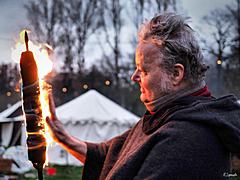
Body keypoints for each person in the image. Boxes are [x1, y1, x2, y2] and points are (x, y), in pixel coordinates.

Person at [46, 13, 240, 179]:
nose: (134, 77)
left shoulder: (186, 139)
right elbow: (111, 155)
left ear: (175, 74)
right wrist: (64, 138)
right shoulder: (165, 117)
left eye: (143, 70)